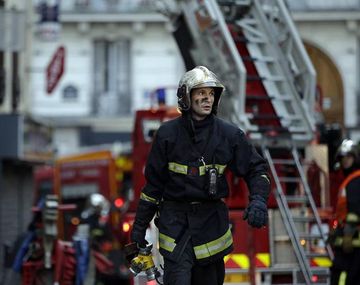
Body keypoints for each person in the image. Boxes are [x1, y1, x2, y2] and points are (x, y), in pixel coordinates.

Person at [130, 66, 270, 285]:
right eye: (201, 93)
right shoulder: (167, 135)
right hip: (176, 229)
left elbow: (257, 169)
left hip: (211, 228)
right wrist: (138, 229)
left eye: (211, 94)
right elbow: (152, 188)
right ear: (186, 96)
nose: (208, 99)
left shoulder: (229, 135)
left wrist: (259, 200)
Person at [330, 139, 360, 285]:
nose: (345, 161)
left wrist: (348, 235)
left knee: (342, 276)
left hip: (352, 242)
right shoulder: (350, 179)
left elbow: (354, 210)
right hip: (350, 242)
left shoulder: (355, 180)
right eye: (343, 158)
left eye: (349, 157)